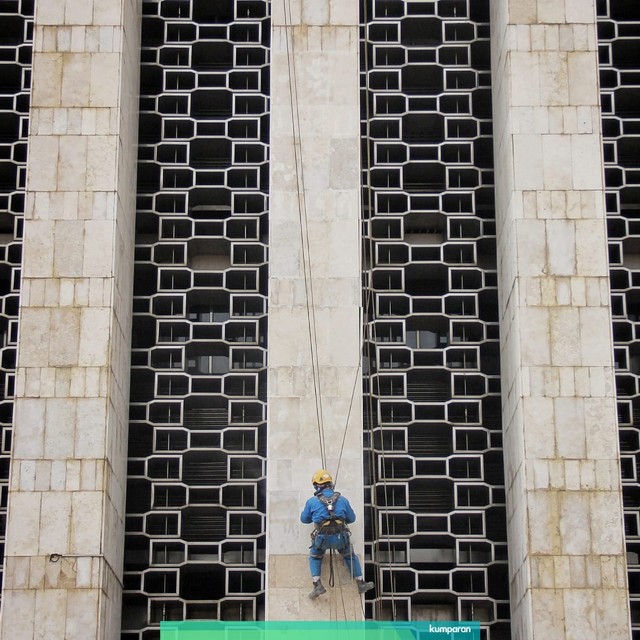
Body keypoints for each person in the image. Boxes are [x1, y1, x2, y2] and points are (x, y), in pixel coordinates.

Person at [300, 469, 374, 599]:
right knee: (350, 556)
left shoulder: (312, 501)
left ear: (317, 486)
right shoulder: (343, 500)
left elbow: (304, 519)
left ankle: (317, 585)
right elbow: (352, 519)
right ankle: (360, 583)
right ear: (331, 484)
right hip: (340, 538)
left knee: (315, 557)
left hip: (322, 539)